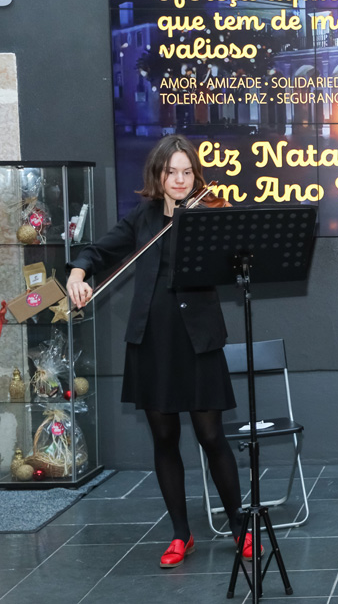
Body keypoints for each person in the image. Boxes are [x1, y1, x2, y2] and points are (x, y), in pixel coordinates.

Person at [65, 134, 253, 568]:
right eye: (172, 172)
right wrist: (77, 273)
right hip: (152, 340)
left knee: (212, 437)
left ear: (196, 175)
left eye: (187, 172)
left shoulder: (208, 213)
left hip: (199, 339)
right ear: (159, 175)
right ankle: (181, 535)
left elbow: (237, 260)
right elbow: (98, 251)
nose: (181, 180)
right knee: (165, 439)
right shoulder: (143, 217)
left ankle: (240, 527)